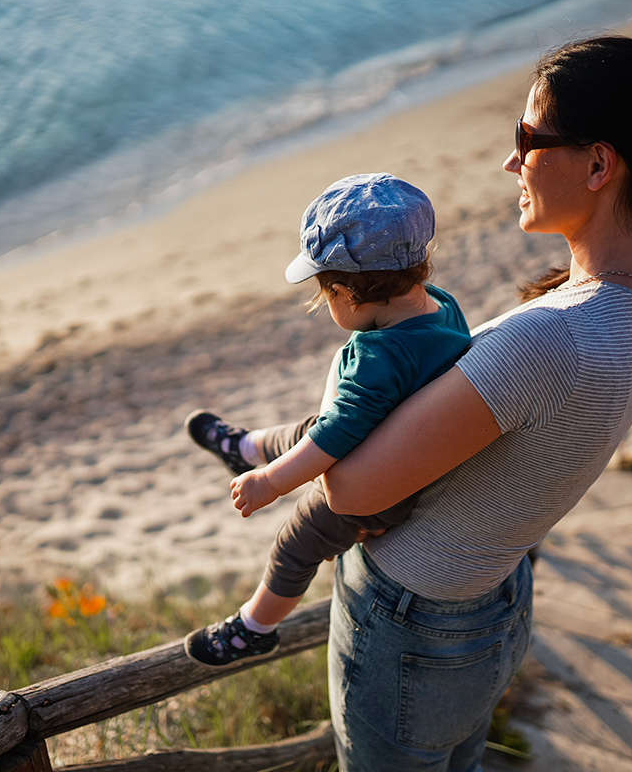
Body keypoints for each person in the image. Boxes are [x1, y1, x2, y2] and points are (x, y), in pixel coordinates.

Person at [208, 35, 632, 771]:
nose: (512, 161)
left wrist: (349, 368)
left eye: (528, 138)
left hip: (417, 625)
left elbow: (346, 485)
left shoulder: (551, 338)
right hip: (492, 604)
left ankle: (251, 454)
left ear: (600, 164)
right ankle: (252, 443)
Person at [183, 173, 471, 666]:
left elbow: (337, 437)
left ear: (345, 292)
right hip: (407, 449)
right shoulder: (442, 307)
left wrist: (271, 484)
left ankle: (255, 627)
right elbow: (340, 425)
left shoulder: (378, 357)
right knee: (309, 428)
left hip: (380, 491)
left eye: (325, 297)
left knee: (297, 541)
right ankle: (247, 448)